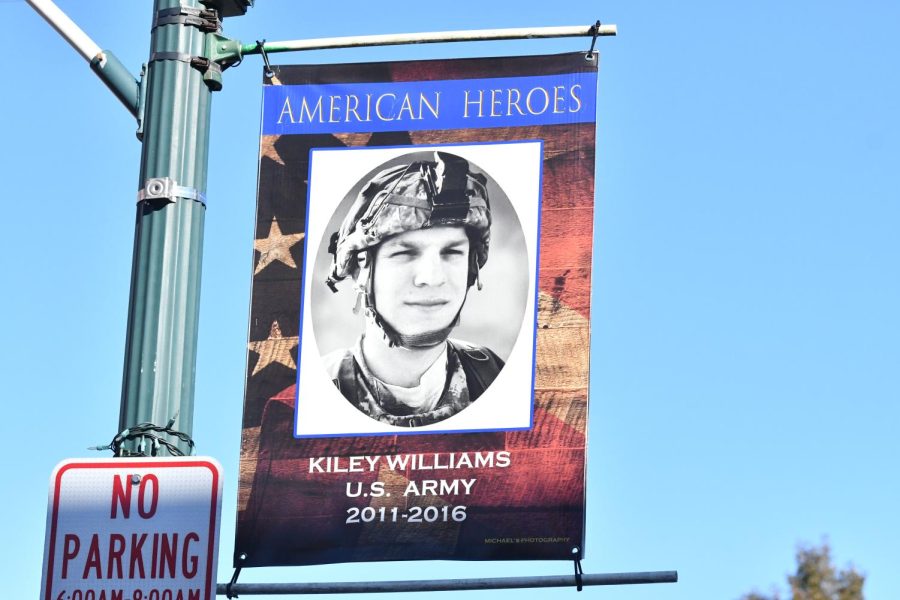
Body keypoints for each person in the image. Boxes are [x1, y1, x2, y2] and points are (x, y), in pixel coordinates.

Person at [322, 151, 504, 427]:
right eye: (405, 253)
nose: (431, 278)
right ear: (361, 271)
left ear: (471, 268)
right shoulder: (316, 388)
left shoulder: (490, 373)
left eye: (452, 252)